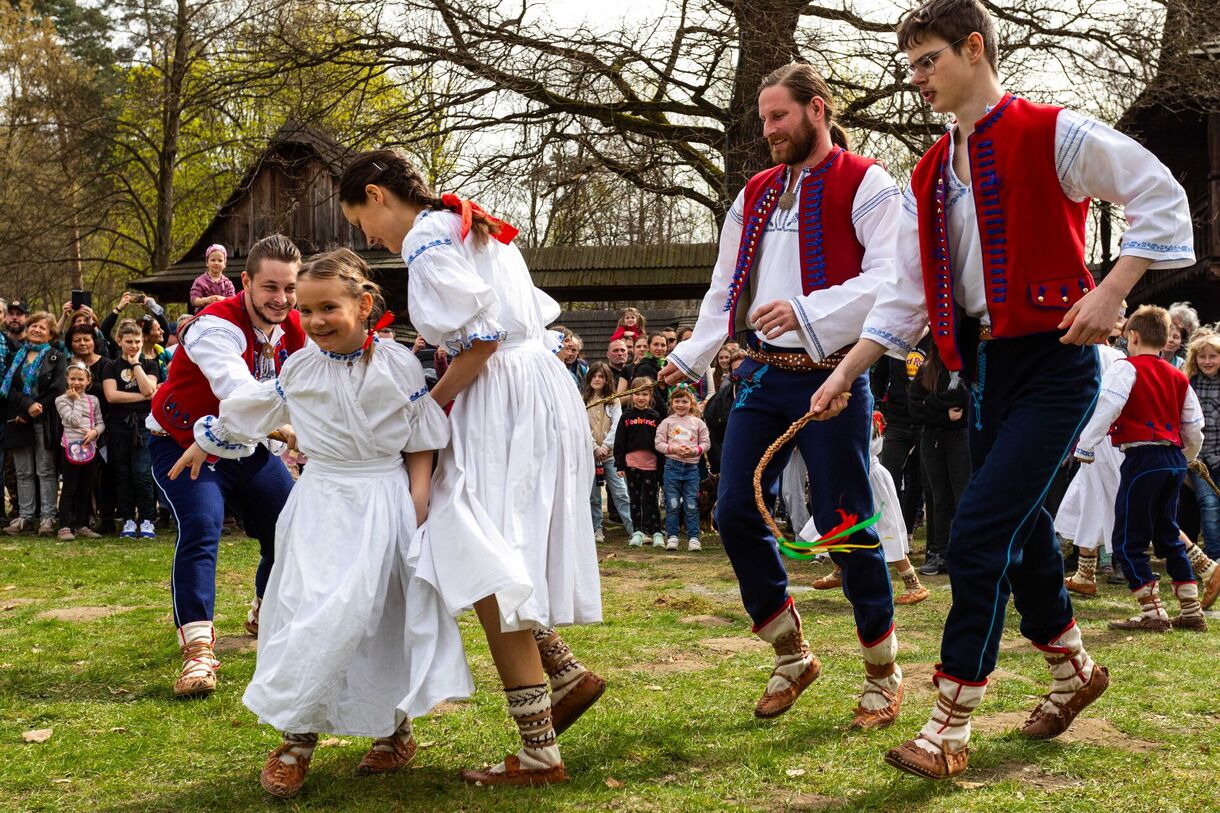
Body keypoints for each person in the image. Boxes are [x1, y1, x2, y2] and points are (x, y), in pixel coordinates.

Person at [808, 0, 1194, 779]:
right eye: (909, 64)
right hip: (983, 371)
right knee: (1015, 537)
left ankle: (948, 723)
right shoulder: (925, 171)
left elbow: (1162, 196)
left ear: (973, 48)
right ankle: (1073, 671)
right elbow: (908, 299)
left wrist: (1114, 289)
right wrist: (845, 372)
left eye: (928, 61)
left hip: (1057, 364)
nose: (914, 78)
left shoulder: (1054, 131)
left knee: (978, 534)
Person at [338, 150, 604, 786]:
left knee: (479, 550)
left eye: (361, 222)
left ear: (377, 195)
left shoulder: (429, 237)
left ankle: (540, 749)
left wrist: (426, 408)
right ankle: (560, 676)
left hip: (501, 394)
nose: (368, 238)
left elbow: (481, 338)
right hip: (533, 386)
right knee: (490, 547)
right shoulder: (464, 220)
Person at [169, 249, 469, 798]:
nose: (315, 320)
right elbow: (254, 409)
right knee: (313, 614)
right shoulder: (299, 366)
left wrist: (418, 503)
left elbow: (423, 435)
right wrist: (205, 440)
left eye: (328, 307)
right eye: (306, 311)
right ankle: (297, 739)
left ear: (365, 304)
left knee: (373, 617)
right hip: (319, 503)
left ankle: (392, 727)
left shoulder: (399, 364)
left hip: (382, 502)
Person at [659, 62, 904, 729]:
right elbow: (723, 283)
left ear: (817, 110)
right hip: (762, 376)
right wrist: (689, 354)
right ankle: (790, 650)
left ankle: (883, 672)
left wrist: (804, 309)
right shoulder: (756, 192)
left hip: (834, 372)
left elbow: (891, 281)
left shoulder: (869, 182)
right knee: (735, 509)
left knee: (845, 521)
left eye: (779, 116)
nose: (767, 129)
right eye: (763, 118)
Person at [149, 234, 306, 698]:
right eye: (270, 288)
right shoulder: (212, 325)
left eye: (289, 289)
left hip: (248, 444)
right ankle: (198, 653)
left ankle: (263, 610)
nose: (281, 300)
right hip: (182, 441)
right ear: (245, 282)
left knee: (292, 526)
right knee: (202, 525)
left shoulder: (296, 326)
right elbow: (238, 393)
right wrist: (287, 425)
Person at [1074, 306, 1205, 631]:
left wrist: (1086, 446)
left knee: (1128, 539)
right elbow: (1194, 425)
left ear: (1132, 337)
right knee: (1167, 532)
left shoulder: (1125, 369)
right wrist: (1186, 456)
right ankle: (1190, 609)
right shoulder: (1178, 375)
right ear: (1163, 341)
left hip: (1142, 458)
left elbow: (1108, 406)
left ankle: (1152, 612)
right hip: (1172, 459)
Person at [807, 411, 930, 604]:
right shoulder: (839, 414)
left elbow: (850, 448)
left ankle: (913, 584)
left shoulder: (860, 415)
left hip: (868, 480)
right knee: (831, 525)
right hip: (849, 478)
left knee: (885, 530)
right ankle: (839, 569)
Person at [1058, 334, 1127, 595]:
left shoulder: (1096, 356)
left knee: (1123, 504)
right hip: (1097, 439)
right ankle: (1085, 573)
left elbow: (1103, 403)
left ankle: (1202, 564)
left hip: (1103, 440)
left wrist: (1086, 440)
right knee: (1088, 500)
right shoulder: (1115, 357)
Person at [907, 342, 970, 575]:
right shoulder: (927, 369)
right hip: (932, 439)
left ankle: (964, 550)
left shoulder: (965, 368)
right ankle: (939, 552)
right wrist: (943, 411)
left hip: (960, 439)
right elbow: (915, 408)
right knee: (938, 497)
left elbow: (964, 398)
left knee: (962, 495)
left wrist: (932, 401)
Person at [2, 312, 67, 536]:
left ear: (50, 334)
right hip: (19, 419)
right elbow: (8, 387)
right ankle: (25, 518)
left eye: (43, 328)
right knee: (23, 472)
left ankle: (48, 518)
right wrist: (27, 406)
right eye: (34, 326)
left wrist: (34, 409)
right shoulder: (16, 356)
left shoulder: (57, 357)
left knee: (46, 470)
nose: (37, 330)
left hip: (45, 419)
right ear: (28, 329)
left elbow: (58, 388)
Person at [103, 320, 163, 539]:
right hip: (119, 425)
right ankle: (128, 518)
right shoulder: (111, 365)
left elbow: (150, 387)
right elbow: (112, 396)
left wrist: (136, 365)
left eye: (137, 341)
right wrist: (143, 396)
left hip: (143, 424)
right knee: (123, 472)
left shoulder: (150, 364)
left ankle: (147, 519)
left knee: (142, 472)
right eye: (129, 342)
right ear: (119, 341)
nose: (133, 346)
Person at [655, 385, 710, 551]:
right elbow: (658, 443)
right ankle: (672, 536)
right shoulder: (667, 422)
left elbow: (706, 443)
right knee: (672, 504)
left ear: (691, 402)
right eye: (677, 401)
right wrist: (673, 449)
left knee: (691, 503)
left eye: (684, 401)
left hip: (691, 469)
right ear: (671, 403)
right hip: (672, 467)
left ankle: (693, 537)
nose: (680, 404)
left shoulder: (698, 423)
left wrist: (694, 451)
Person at [55, 363, 105, 540]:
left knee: (85, 487)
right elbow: (73, 420)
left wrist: (94, 432)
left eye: (80, 379)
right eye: (73, 379)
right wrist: (76, 399)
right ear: (67, 380)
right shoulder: (61, 400)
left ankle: (82, 524)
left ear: (88, 380)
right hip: (69, 449)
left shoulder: (94, 400)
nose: (76, 382)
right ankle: (64, 526)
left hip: (89, 448)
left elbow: (100, 422)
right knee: (69, 487)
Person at [585, 362, 633, 543]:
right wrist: (595, 448)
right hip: (590, 455)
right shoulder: (582, 401)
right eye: (594, 376)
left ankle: (632, 529)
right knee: (593, 496)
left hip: (610, 454)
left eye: (601, 377)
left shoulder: (613, 401)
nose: (597, 380)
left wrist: (605, 446)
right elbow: (582, 427)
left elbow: (617, 425)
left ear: (606, 380)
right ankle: (596, 529)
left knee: (621, 492)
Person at [614, 377, 664, 548]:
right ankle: (638, 531)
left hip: (651, 465)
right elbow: (619, 442)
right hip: (631, 465)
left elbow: (660, 442)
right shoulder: (626, 417)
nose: (640, 398)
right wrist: (620, 464)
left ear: (650, 396)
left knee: (651, 499)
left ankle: (656, 531)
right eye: (636, 394)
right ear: (630, 395)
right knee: (635, 499)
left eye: (644, 394)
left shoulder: (655, 416)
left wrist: (661, 466)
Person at [1185, 330, 1220, 559]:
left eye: (1213, 356)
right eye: (1202, 357)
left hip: (1219, 453)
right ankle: (1215, 557)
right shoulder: (1189, 383)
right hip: (1199, 458)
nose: (1207, 361)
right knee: (1209, 505)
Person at [191, 244, 237, 311]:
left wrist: (221, 299)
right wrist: (206, 300)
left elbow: (233, 301)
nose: (216, 263)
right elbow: (194, 300)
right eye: (213, 260)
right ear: (207, 262)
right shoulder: (199, 281)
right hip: (204, 317)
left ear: (224, 264)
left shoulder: (228, 283)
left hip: (223, 317)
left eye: (220, 260)